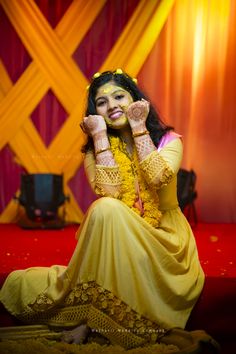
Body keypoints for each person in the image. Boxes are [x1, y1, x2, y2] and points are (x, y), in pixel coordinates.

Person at [0, 69, 218, 351]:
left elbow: (156, 177)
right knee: (106, 209)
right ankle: (92, 315)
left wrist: (139, 127)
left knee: (108, 211)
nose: (112, 105)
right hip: (120, 233)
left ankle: (90, 319)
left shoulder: (168, 140)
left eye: (119, 96)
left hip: (166, 240)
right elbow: (111, 193)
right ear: (95, 112)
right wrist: (100, 139)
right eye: (102, 102)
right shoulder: (94, 150)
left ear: (136, 100)